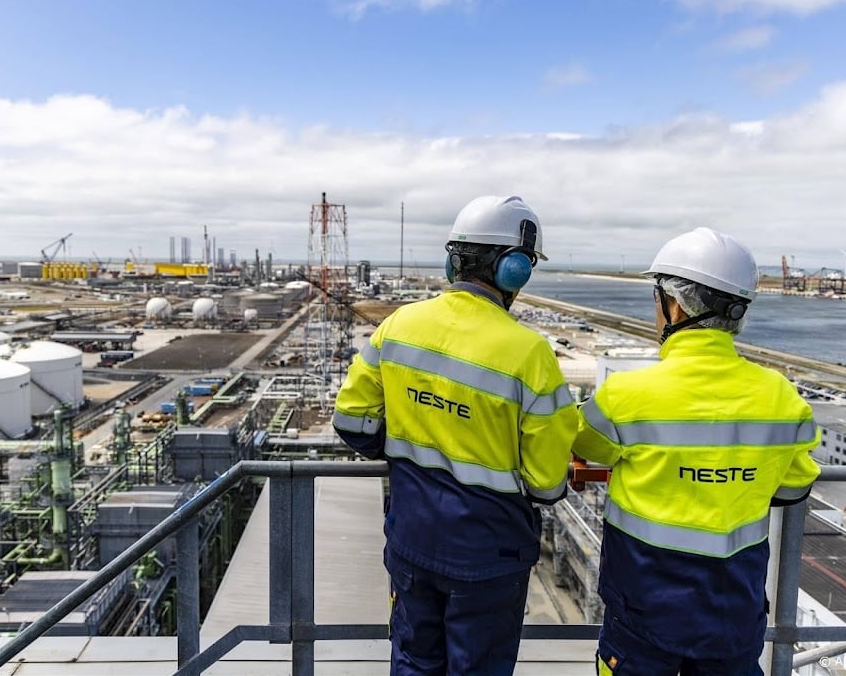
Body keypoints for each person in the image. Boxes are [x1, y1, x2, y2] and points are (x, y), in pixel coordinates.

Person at [332, 195, 577, 675]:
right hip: (489, 556)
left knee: (413, 661)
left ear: (453, 260)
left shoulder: (398, 326)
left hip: (413, 539)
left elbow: (351, 422)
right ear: (514, 270)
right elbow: (547, 484)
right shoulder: (530, 354)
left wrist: (410, 438)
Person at [572, 227, 821, 676]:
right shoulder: (783, 399)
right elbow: (792, 487)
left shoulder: (627, 395)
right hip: (734, 614)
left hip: (643, 612)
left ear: (675, 304)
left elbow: (585, 445)